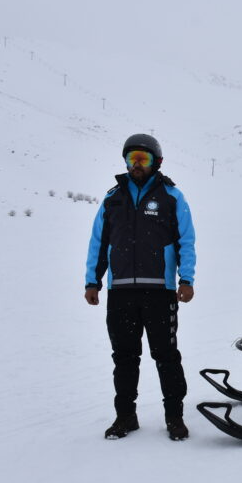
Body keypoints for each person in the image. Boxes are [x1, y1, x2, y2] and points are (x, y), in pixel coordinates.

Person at [85, 134, 196, 441]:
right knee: (124, 357)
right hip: (120, 292)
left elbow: (186, 241)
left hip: (160, 291)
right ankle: (125, 416)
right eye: (131, 158)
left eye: (142, 159)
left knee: (166, 356)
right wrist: (93, 281)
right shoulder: (112, 198)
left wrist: (186, 279)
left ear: (156, 163)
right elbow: (98, 242)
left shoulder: (172, 196)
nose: (136, 164)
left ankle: (174, 417)